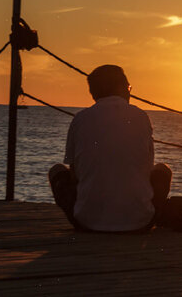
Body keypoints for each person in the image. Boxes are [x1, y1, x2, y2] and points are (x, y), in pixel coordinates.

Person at [49, 64, 173, 232]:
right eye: (129, 87)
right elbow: (147, 168)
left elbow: (75, 174)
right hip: (140, 223)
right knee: (162, 170)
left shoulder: (80, 119)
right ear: (122, 88)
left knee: (57, 171)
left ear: (93, 93)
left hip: (87, 223)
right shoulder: (141, 116)